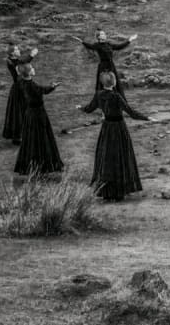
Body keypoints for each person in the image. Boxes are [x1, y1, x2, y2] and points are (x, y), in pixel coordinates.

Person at [78, 71, 152, 202]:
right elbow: (131, 112)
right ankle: (119, 191)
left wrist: (80, 108)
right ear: (114, 82)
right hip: (119, 129)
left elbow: (89, 108)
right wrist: (147, 118)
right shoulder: (116, 96)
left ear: (102, 83)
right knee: (120, 157)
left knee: (107, 158)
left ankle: (107, 192)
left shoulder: (99, 95)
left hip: (106, 129)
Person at [13, 63, 63, 176]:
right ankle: (43, 165)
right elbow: (43, 90)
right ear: (28, 72)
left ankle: (31, 165)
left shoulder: (22, 82)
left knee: (31, 139)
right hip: (38, 114)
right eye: (31, 68)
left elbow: (40, 89)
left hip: (30, 113)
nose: (33, 69)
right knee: (42, 138)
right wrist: (53, 86)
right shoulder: (31, 85)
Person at [71, 28, 137, 95]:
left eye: (104, 34)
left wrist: (130, 40)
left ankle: (115, 98)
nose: (104, 35)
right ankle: (102, 98)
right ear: (99, 37)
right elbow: (89, 46)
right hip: (103, 66)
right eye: (102, 34)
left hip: (111, 65)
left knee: (113, 82)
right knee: (103, 82)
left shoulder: (109, 44)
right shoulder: (97, 45)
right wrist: (81, 41)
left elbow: (119, 46)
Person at [2, 44, 38, 145]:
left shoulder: (14, 61)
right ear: (13, 53)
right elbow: (22, 63)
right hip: (18, 90)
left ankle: (21, 136)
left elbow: (22, 62)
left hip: (20, 89)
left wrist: (31, 56)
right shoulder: (12, 62)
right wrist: (31, 55)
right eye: (17, 49)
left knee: (22, 112)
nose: (19, 51)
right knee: (19, 113)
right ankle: (18, 137)